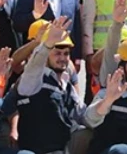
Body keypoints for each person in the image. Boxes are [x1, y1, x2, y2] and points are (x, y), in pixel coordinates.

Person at [13, 17, 86, 154]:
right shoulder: (33, 79)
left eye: (66, 54)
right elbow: (34, 65)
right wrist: (47, 45)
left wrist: (106, 103)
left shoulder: (66, 83)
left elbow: (82, 114)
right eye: (57, 53)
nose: (63, 58)